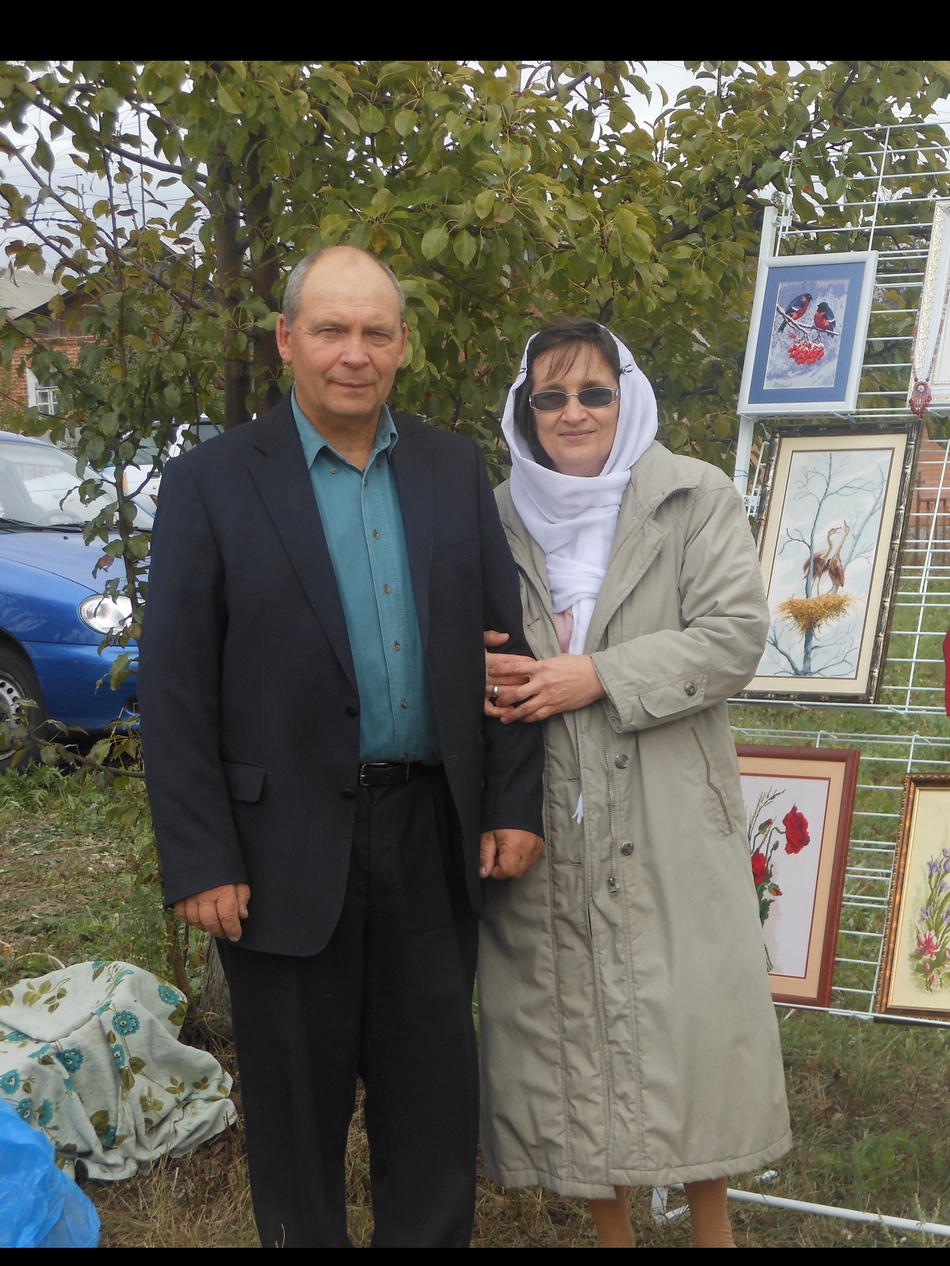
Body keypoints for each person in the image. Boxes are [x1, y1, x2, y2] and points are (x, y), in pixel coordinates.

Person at [137, 245, 545, 1248]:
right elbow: (176, 688)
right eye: (330, 330)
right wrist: (200, 856)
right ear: (287, 340)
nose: (353, 353)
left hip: (430, 833)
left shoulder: (451, 470)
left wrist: (509, 802)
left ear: (401, 346)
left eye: (374, 332)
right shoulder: (210, 483)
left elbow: (506, 650)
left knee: (433, 1107)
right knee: (294, 1113)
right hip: (275, 850)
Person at [477, 319, 791, 1249]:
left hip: (668, 806)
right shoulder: (494, 515)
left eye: (594, 394)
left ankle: (711, 1234)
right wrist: (472, 671)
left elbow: (733, 637)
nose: (573, 413)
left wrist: (599, 675)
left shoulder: (694, 495)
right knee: (569, 1019)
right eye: (550, 397)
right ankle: (612, 1235)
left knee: (688, 1020)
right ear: (526, 413)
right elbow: (468, 635)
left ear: (629, 398)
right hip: (545, 805)